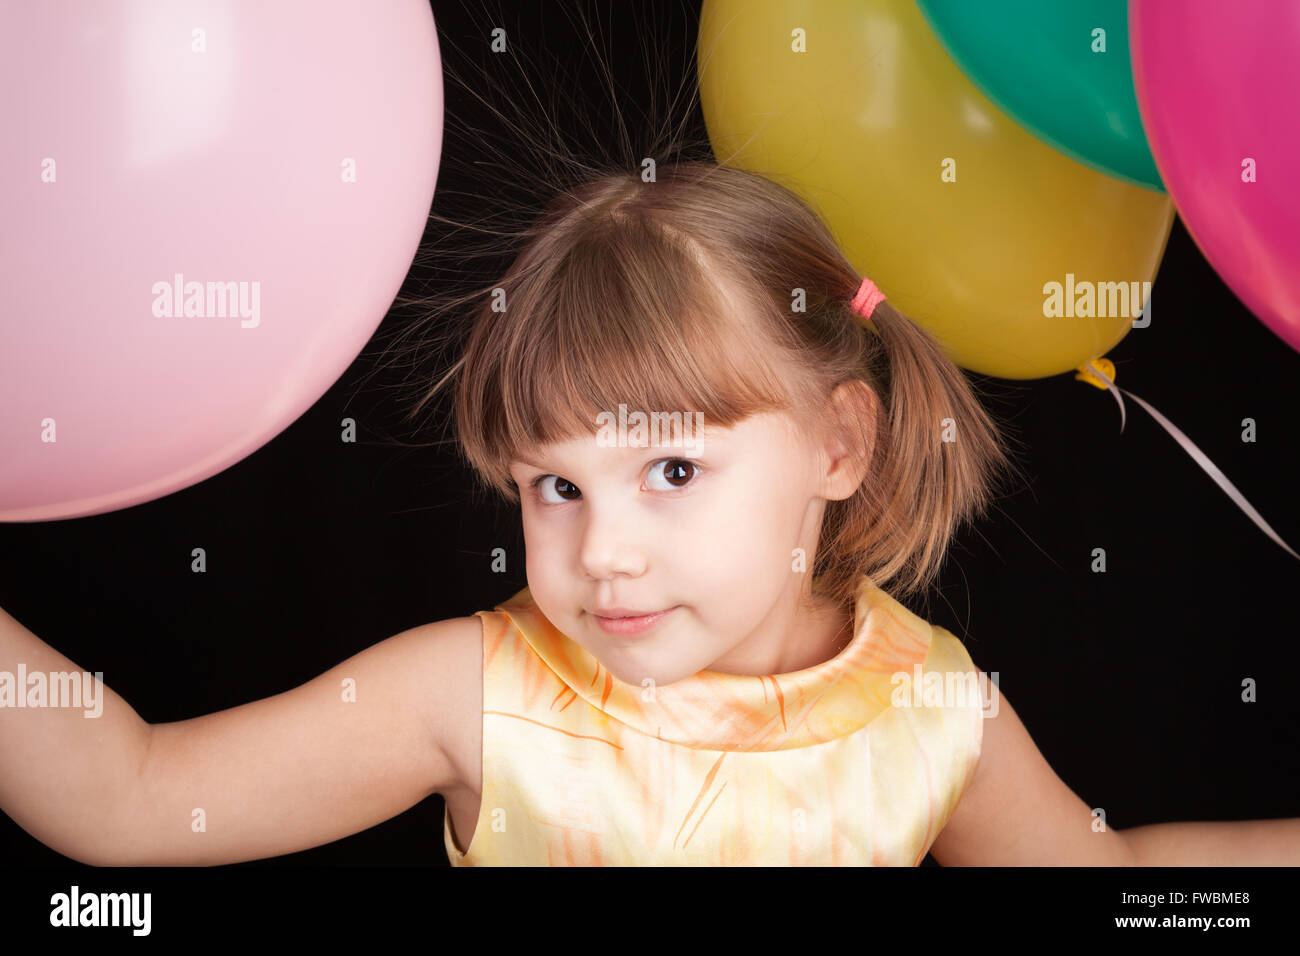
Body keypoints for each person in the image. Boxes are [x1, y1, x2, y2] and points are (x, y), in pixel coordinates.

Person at [4, 159, 1297, 867]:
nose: (602, 550)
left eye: (671, 472)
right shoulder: (472, 690)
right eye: (554, 486)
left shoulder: (933, 708)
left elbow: (1114, 882)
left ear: (838, 444)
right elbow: (129, 795)